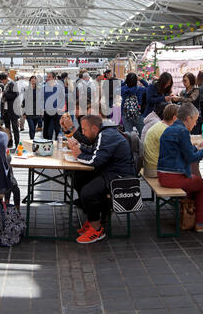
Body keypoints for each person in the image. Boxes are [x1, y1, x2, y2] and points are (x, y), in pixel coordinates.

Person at [69, 114, 136, 244]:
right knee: (80, 180)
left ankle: (96, 230)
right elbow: (95, 150)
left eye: (84, 129)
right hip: (111, 172)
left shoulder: (107, 135)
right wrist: (80, 147)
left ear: (94, 128)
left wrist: (78, 156)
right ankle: (92, 220)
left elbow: (96, 160)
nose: (83, 132)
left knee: (88, 192)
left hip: (120, 177)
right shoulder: (105, 133)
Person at [157, 102, 203, 232]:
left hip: (163, 174)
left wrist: (197, 148)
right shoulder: (182, 131)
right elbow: (191, 158)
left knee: (195, 181)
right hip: (172, 177)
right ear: (188, 119)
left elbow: (184, 151)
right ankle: (199, 223)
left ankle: (189, 215)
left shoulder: (170, 128)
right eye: (195, 120)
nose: (195, 124)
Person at [143, 104, 179, 177]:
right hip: (155, 170)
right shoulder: (166, 131)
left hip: (150, 166)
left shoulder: (160, 125)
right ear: (175, 118)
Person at [0, 125, 20, 209]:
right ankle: (14, 209)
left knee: (12, 183)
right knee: (13, 187)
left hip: (7, 175)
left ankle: (7, 203)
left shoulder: (5, 149)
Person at [121, 72, 148, 137]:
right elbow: (149, 87)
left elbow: (117, 87)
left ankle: (130, 146)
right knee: (143, 133)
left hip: (125, 113)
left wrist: (125, 82)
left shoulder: (123, 89)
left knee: (128, 134)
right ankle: (140, 146)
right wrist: (141, 79)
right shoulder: (140, 89)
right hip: (138, 113)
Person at [0, 72, 20, 148]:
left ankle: (17, 143)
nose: (2, 82)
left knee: (15, 127)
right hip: (5, 109)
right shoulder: (3, 85)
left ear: (6, 78)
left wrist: (5, 94)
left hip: (12, 109)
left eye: (2, 80)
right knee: (7, 128)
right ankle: (10, 142)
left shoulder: (12, 84)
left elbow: (16, 95)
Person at [42, 72, 65, 140]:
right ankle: (45, 143)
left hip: (56, 111)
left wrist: (60, 108)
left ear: (54, 78)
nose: (47, 78)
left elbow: (62, 98)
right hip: (47, 111)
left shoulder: (60, 87)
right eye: (47, 77)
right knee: (46, 129)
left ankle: (56, 145)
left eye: (49, 77)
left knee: (57, 128)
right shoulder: (44, 87)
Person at [23, 76, 43, 140]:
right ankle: (32, 140)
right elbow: (24, 101)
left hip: (37, 111)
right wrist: (24, 112)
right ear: (30, 81)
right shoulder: (26, 89)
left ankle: (33, 139)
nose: (33, 81)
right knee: (31, 127)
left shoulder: (39, 89)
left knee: (34, 127)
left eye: (34, 79)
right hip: (29, 111)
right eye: (32, 79)